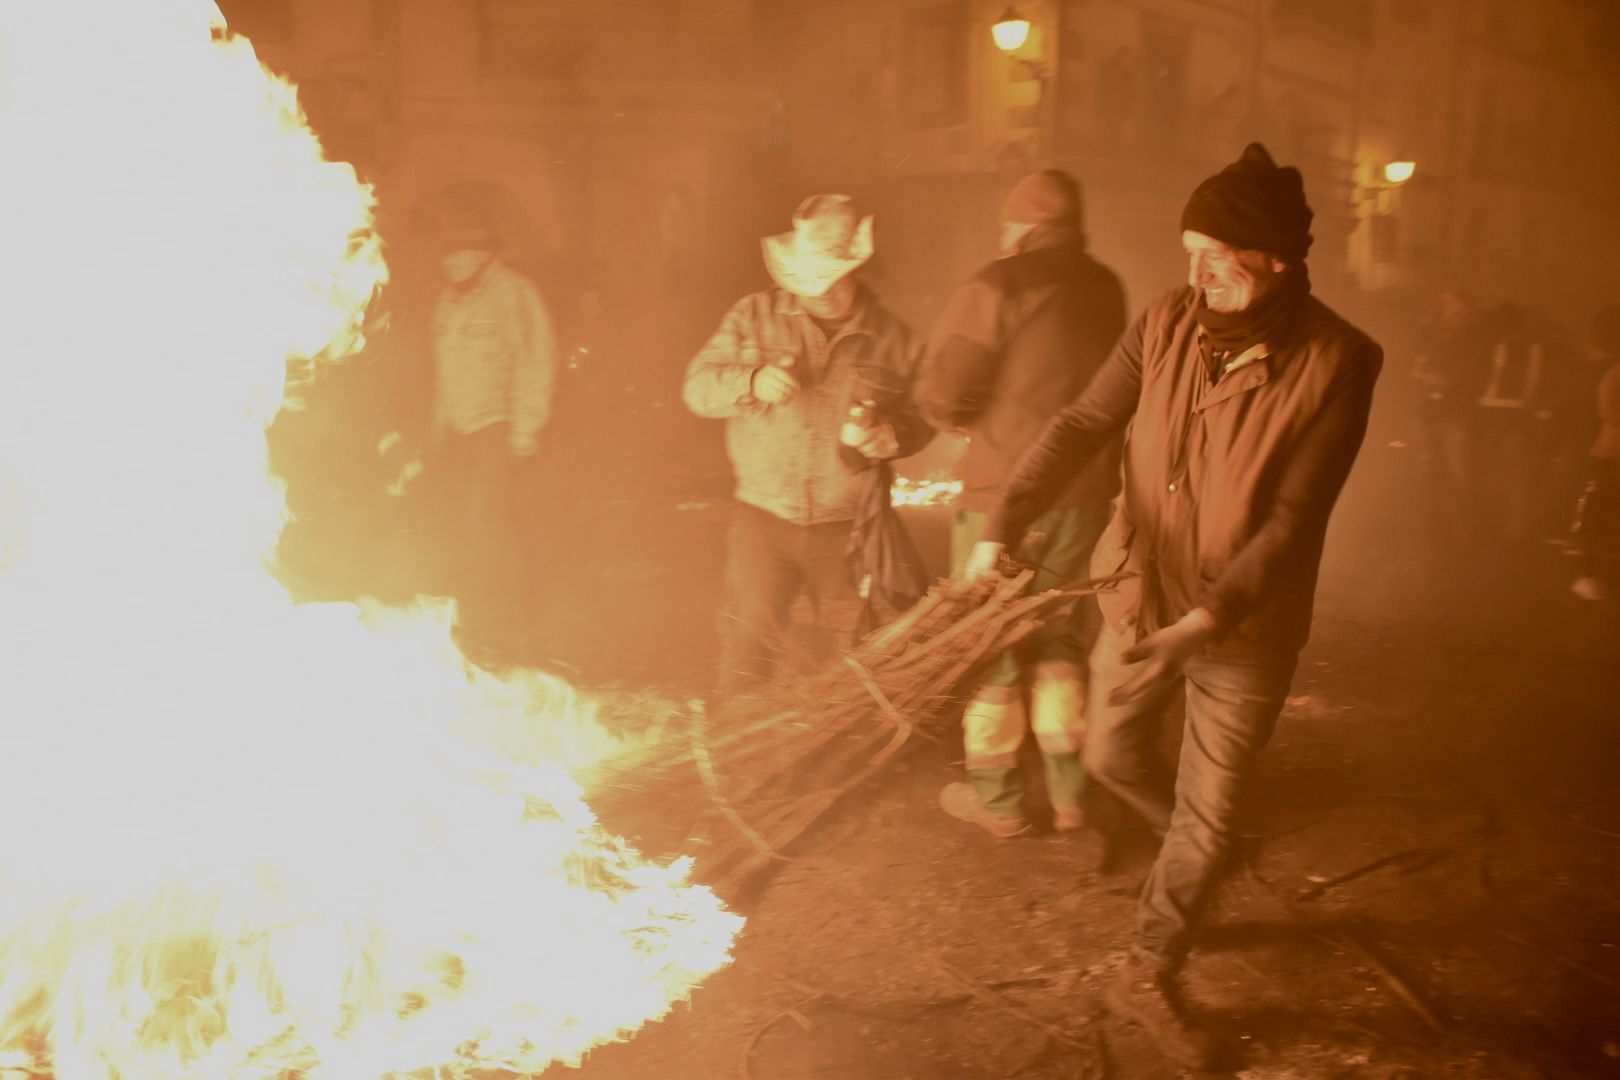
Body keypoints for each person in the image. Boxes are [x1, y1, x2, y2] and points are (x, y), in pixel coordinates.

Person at [965, 144, 1382, 1069]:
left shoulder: (1342, 359)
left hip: (1245, 626)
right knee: (1114, 754)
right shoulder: (1164, 323)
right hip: (1138, 596)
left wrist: (1208, 620)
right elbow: (1078, 422)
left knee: (1211, 804)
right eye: (1190, 250)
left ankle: (1154, 956)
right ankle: (1189, 853)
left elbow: (1293, 516)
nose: (1198, 274)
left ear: (1277, 259)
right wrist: (1003, 518)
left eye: (1220, 256)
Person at [916, 169, 1127, 837]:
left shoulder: (998, 282)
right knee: (1063, 641)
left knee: (991, 646)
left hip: (1001, 498)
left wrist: (959, 417)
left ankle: (1001, 801)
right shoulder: (1105, 288)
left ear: (1020, 228)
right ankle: (1069, 795)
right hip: (1086, 495)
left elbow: (944, 393)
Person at [683, 194, 931, 709]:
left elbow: (928, 413)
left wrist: (895, 434)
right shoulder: (753, 317)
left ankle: (836, 764)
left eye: (838, 276)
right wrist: (751, 379)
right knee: (745, 654)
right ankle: (737, 765)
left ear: (857, 268)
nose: (827, 292)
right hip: (763, 519)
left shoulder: (893, 337)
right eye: (815, 279)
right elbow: (696, 388)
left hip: (848, 528)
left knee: (852, 664)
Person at [428, 202, 556, 657]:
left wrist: (524, 432)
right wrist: (438, 430)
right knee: (466, 528)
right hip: (459, 433)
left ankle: (510, 624)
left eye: (459, 253)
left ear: (483, 254)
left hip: (495, 428)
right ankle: (476, 621)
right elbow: (445, 371)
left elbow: (535, 362)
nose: (450, 261)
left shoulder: (513, 292)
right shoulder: (450, 298)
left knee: (489, 527)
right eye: (446, 254)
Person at [1571, 303, 1620, 601]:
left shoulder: (1608, 372)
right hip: (1611, 455)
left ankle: (1593, 575)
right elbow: (1611, 413)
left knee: (1599, 516)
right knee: (1600, 515)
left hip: (1608, 453)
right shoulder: (1614, 373)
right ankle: (1592, 575)